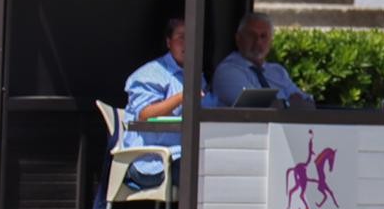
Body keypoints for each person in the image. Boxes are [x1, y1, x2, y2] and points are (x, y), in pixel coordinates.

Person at [123, 18, 216, 189]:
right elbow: (144, 114)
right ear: (168, 42)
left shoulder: (196, 74)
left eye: (193, 38)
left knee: (222, 164)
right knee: (202, 176)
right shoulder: (150, 73)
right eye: (181, 37)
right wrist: (182, 97)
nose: (188, 43)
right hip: (151, 161)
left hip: (185, 154)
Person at [212, 13, 314, 109]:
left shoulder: (278, 71)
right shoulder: (227, 71)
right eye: (251, 35)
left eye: (263, 36)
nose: (258, 42)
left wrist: (282, 104)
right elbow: (256, 107)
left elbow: (310, 105)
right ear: (238, 39)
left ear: (271, 41)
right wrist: (289, 104)